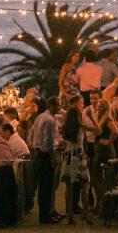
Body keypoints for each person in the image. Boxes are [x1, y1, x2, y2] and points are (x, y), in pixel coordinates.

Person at [29, 96, 62, 224]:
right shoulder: (49, 121)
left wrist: (35, 145)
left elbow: (31, 134)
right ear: (51, 106)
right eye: (58, 105)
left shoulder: (40, 117)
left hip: (37, 154)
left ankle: (47, 213)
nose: (59, 108)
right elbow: (48, 144)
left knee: (44, 188)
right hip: (45, 157)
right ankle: (45, 216)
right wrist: (53, 159)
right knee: (46, 188)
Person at [59, 105, 92, 224]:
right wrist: (90, 117)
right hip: (79, 155)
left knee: (69, 187)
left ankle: (69, 214)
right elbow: (97, 130)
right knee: (85, 186)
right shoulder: (81, 127)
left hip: (68, 156)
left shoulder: (64, 128)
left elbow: (61, 143)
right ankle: (86, 212)